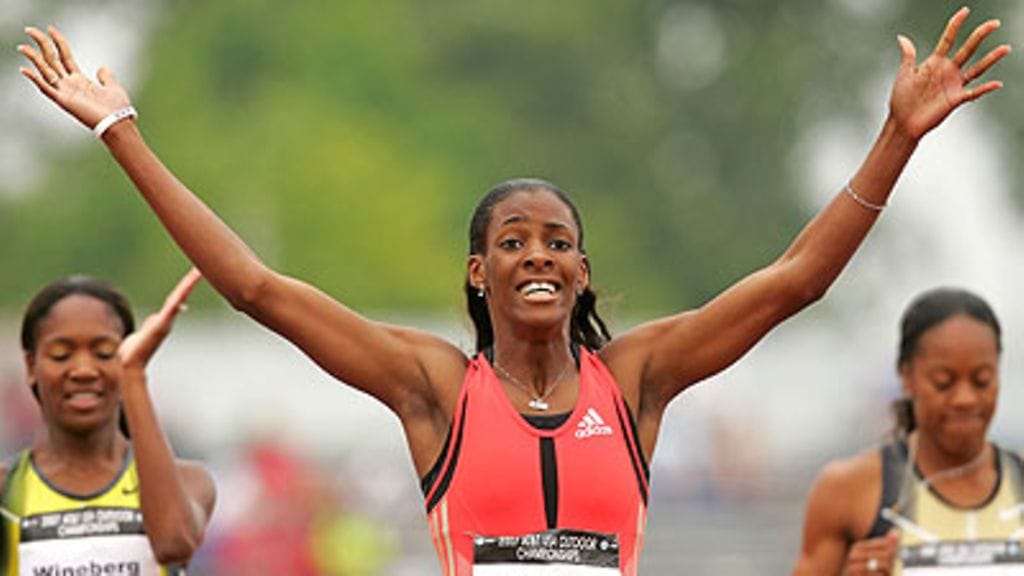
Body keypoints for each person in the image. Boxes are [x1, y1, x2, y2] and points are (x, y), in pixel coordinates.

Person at [16, 7, 1009, 574]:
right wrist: (119, 131)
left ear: (582, 272)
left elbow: (793, 283)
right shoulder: (434, 388)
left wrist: (896, 137)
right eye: (513, 242)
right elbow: (256, 287)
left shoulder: (636, 378)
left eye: (558, 243)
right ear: (477, 271)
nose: (538, 257)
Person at [792, 288, 1024, 575]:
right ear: (906, 376)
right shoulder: (849, 489)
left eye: (982, 381)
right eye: (943, 382)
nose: (965, 399)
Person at [0, 271, 216, 575]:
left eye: (104, 353)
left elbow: (173, 544)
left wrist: (134, 373)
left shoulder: (187, 481)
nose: (84, 370)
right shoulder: (6, 490)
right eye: (61, 355)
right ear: (31, 366)